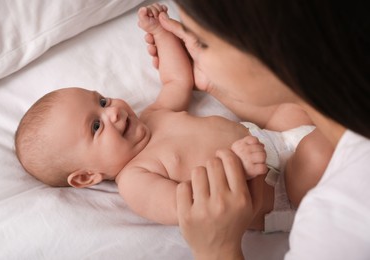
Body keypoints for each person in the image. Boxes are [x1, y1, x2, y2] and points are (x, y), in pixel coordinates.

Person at [15, 4, 325, 231]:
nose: (112, 112)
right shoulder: (136, 180)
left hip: (272, 138)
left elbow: (177, 80)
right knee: (320, 149)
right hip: (277, 190)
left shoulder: (154, 116)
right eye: (96, 126)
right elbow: (191, 205)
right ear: (86, 176)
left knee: (294, 107)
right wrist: (237, 167)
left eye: (102, 100)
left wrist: (159, 33)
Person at [147, 1, 370, 259]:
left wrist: (217, 249)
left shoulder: (340, 225)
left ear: (269, 51)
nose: (192, 49)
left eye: (202, 42)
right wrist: (215, 84)